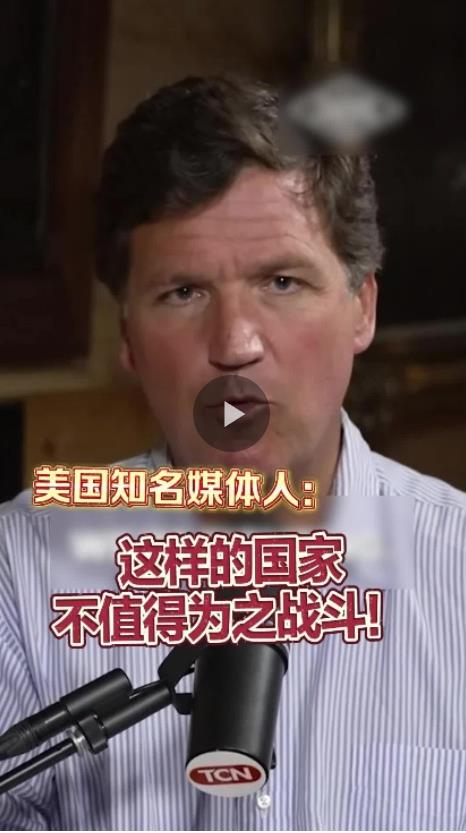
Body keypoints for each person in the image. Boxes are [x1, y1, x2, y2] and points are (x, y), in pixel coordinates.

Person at [1, 74, 465, 831]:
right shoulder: (21, 572)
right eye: (183, 292)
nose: (235, 345)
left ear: (363, 308)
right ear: (127, 337)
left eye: (281, 281)